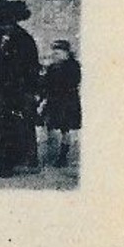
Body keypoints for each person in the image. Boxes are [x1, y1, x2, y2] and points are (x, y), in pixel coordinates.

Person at [0, 0, 42, 177]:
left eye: (8, 24)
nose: (4, 27)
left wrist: (31, 91)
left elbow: (32, 68)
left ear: (14, 22)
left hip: (17, 91)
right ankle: (1, 159)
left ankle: (11, 162)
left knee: (15, 126)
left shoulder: (25, 40)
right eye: (1, 24)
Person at [40, 39, 81, 167]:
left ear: (66, 53)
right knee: (50, 126)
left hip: (67, 102)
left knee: (65, 129)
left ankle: (62, 156)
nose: (54, 56)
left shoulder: (73, 66)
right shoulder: (52, 67)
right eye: (54, 53)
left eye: (57, 53)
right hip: (54, 101)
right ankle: (52, 153)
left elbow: (73, 82)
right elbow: (46, 83)